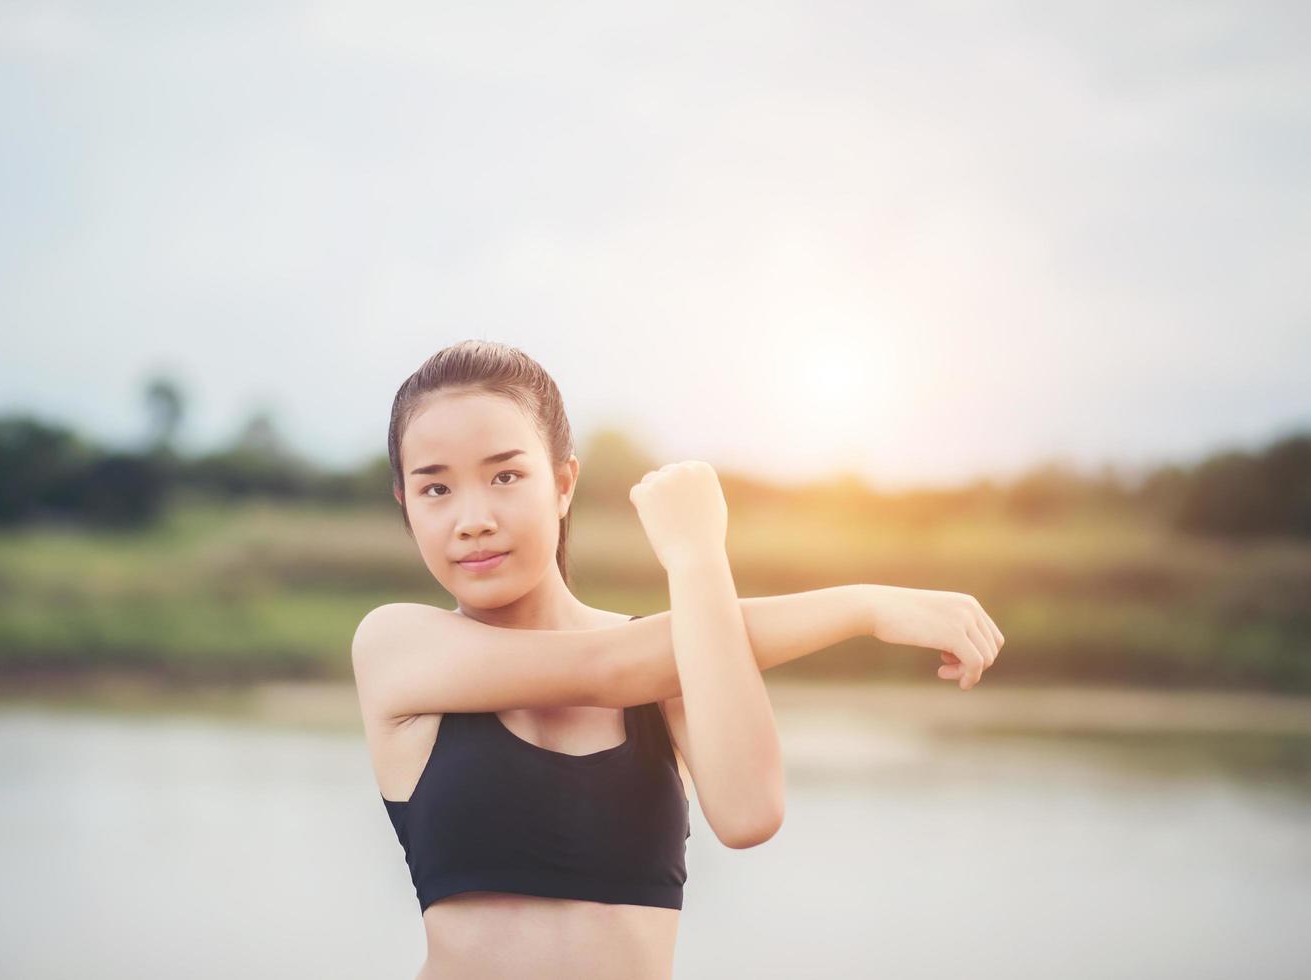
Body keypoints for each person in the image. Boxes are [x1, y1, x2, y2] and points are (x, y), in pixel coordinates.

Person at [353, 339, 1004, 979]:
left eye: (505, 476)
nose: (472, 519)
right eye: (435, 489)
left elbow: (749, 814)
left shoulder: (674, 662)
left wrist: (698, 555)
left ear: (561, 484)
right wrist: (860, 606)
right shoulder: (396, 647)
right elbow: (608, 668)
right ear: (405, 505)